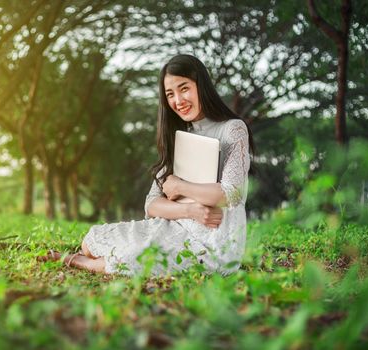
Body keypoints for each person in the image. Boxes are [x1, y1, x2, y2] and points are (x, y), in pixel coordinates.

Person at [41, 54, 254, 276]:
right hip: (176, 226)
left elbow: (231, 193)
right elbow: (152, 204)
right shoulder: (179, 135)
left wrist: (180, 187)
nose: (178, 101)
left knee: (129, 258)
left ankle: (81, 262)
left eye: (184, 88)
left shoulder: (233, 129)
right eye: (170, 94)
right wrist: (189, 210)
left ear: (202, 85)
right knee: (92, 240)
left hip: (212, 244)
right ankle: (95, 258)